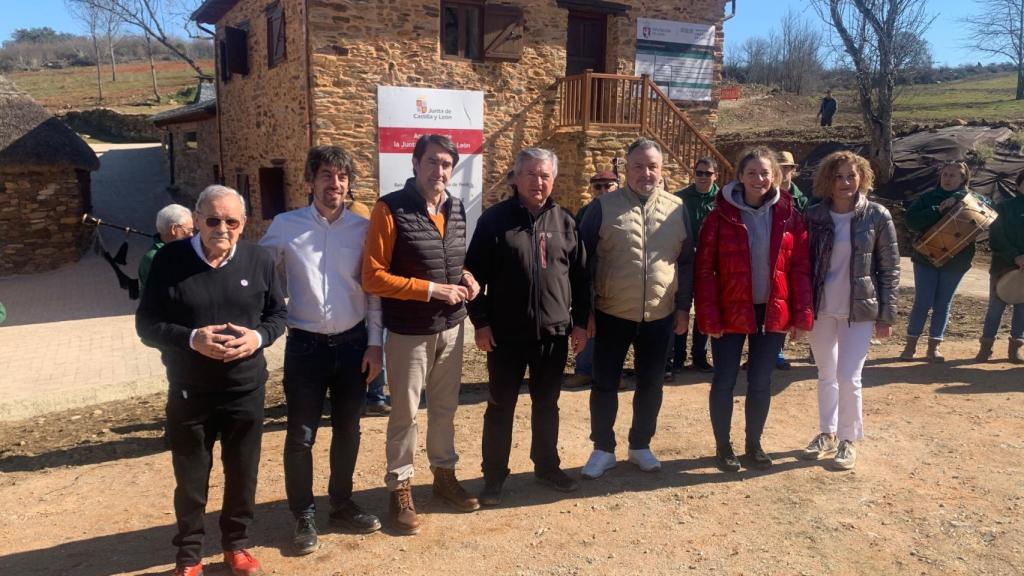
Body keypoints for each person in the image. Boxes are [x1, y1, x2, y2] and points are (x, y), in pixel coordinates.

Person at [136, 185, 287, 576]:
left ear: (244, 224)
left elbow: (277, 316)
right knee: (190, 479)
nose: (222, 228)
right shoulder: (169, 260)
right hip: (190, 391)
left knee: (242, 473)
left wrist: (257, 338)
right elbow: (146, 325)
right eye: (213, 219)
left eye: (231, 221)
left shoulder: (260, 259)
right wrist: (191, 339)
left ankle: (236, 545)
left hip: (245, 389)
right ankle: (189, 556)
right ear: (198, 219)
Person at [259, 145, 384, 555]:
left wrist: (374, 344)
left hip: (352, 346)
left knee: (349, 430)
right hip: (306, 348)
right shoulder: (285, 225)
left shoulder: (362, 229)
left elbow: (373, 292)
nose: (336, 184)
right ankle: (304, 514)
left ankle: (342, 503)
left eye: (343, 178)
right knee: (301, 436)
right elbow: (258, 274)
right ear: (311, 180)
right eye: (327, 176)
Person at [362, 134, 481, 534]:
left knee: (445, 408)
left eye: (447, 164)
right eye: (432, 162)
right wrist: (431, 289)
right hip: (409, 332)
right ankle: (400, 487)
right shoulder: (389, 208)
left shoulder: (457, 206)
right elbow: (373, 276)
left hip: (451, 327)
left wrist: (464, 276)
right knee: (405, 414)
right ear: (415, 163)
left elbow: (451, 259)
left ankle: (443, 475)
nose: (439, 171)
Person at [466, 148, 589, 504]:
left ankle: (547, 466)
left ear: (553, 179)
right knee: (500, 406)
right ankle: (493, 477)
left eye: (545, 175)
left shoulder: (565, 221)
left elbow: (582, 279)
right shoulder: (494, 220)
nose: (539, 182)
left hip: (552, 335)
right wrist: (481, 323)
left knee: (547, 404)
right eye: (531, 174)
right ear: (515, 178)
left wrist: (580, 324)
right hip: (505, 335)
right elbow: (473, 276)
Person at [578, 138, 694, 479]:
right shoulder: (602, 207)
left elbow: (686, 262)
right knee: (604, 384)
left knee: (652, 383)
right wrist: (586, 312)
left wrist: (683, 307)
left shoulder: (677, 208)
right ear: (625, 170)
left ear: (662, 170)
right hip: (612, 312)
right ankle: (603, 448)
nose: (646, 173)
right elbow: (583, 262)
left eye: (653, 166)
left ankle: (640, 444)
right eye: (638, 166)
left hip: (660, 314)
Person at [695, 146, 812, 472]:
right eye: (751, 173)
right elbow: (704, 271)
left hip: (772, 311)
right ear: (740, 177)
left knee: (761, 381)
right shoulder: (719, 215)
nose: (758, 179)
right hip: (729, 310)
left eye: (765, 173)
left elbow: (800, 268)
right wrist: (708, 317)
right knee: (724, 380)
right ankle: (723, 447)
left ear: (775, 175)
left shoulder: (790, 215)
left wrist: (802, 314)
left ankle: (754, 443)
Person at [800, 151, 900, 471]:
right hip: (822, 309)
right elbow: (800, 266)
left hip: (860, 310)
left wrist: (886, 315)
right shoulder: (813, 215)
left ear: (862, 178)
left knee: (848, 377)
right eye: (838, 176)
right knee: (826, 375)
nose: (845, 183)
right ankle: (827, 433)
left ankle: (848, 439)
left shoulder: (877, 215)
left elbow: (890, 268)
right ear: (827, 181)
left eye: (851, 176)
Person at [902, 160, 979, 362]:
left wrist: (958, 199)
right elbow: (910, 220)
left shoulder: (971, 199)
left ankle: (934, 347)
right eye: (945, 175)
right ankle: (910, 346)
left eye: (953, 175)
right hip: (926, 258)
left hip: (956, 261)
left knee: (943, 304)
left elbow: (987, 210)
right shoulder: (928, 198)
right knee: (922, 302)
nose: (947, 179)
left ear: (963, 179)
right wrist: (937, 209)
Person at [565, 169, 619, 388]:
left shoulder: (624, 209)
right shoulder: (585, 212)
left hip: (617, 279)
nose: (603, 190)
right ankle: (584, 370)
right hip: (591, 277)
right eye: (598, 186)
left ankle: (612, 373)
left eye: (608, 186)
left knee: (615, 330)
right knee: (588, 323)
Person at [670, 158, 719, 374]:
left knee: (705, 308)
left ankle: (699, 355)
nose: (703, 177)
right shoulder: (679, 198)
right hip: (684, 260)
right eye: (699, 173)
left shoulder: (723, 200)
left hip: (711, 262)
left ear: (715, 175)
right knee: (680, 305)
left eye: (708, 173)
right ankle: (677, 356)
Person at [976, 170, 1024, 363]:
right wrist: (1015, 256)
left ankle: (1015, 351)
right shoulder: (1003, 208)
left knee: (1022, 310)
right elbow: (996, 236)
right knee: (995, 309)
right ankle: (985, 348)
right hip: (1002, 267)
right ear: (1018, 184)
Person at [773, 151, 809, 370]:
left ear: (793, 170)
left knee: (784, 305)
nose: (783, 171)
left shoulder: (802, 199)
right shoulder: (767, 195)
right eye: (780, 166)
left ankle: (778, 349)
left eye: (787, 167)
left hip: (791, 258)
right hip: (770, 258)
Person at [138, 204, 193, 292]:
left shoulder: (182, 249)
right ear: (174, 229)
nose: (191, 235)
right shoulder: (154, 258)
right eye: (189, 230)